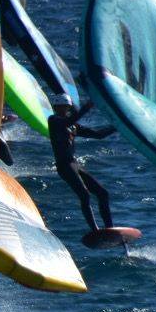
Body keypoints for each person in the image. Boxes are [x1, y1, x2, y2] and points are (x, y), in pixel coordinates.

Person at [48, 96, 116, 232]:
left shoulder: (73, 125)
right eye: (61, 106)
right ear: (55, 108)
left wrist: (117, 126)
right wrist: (87, 107)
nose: (64, 109)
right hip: (64, 166)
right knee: (84, 195)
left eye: (66, 107)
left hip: (74, 164)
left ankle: (110, 229)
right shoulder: (54, 120)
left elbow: (98, 135)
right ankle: (95, 230)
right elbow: (69, 121)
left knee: (103, 193)